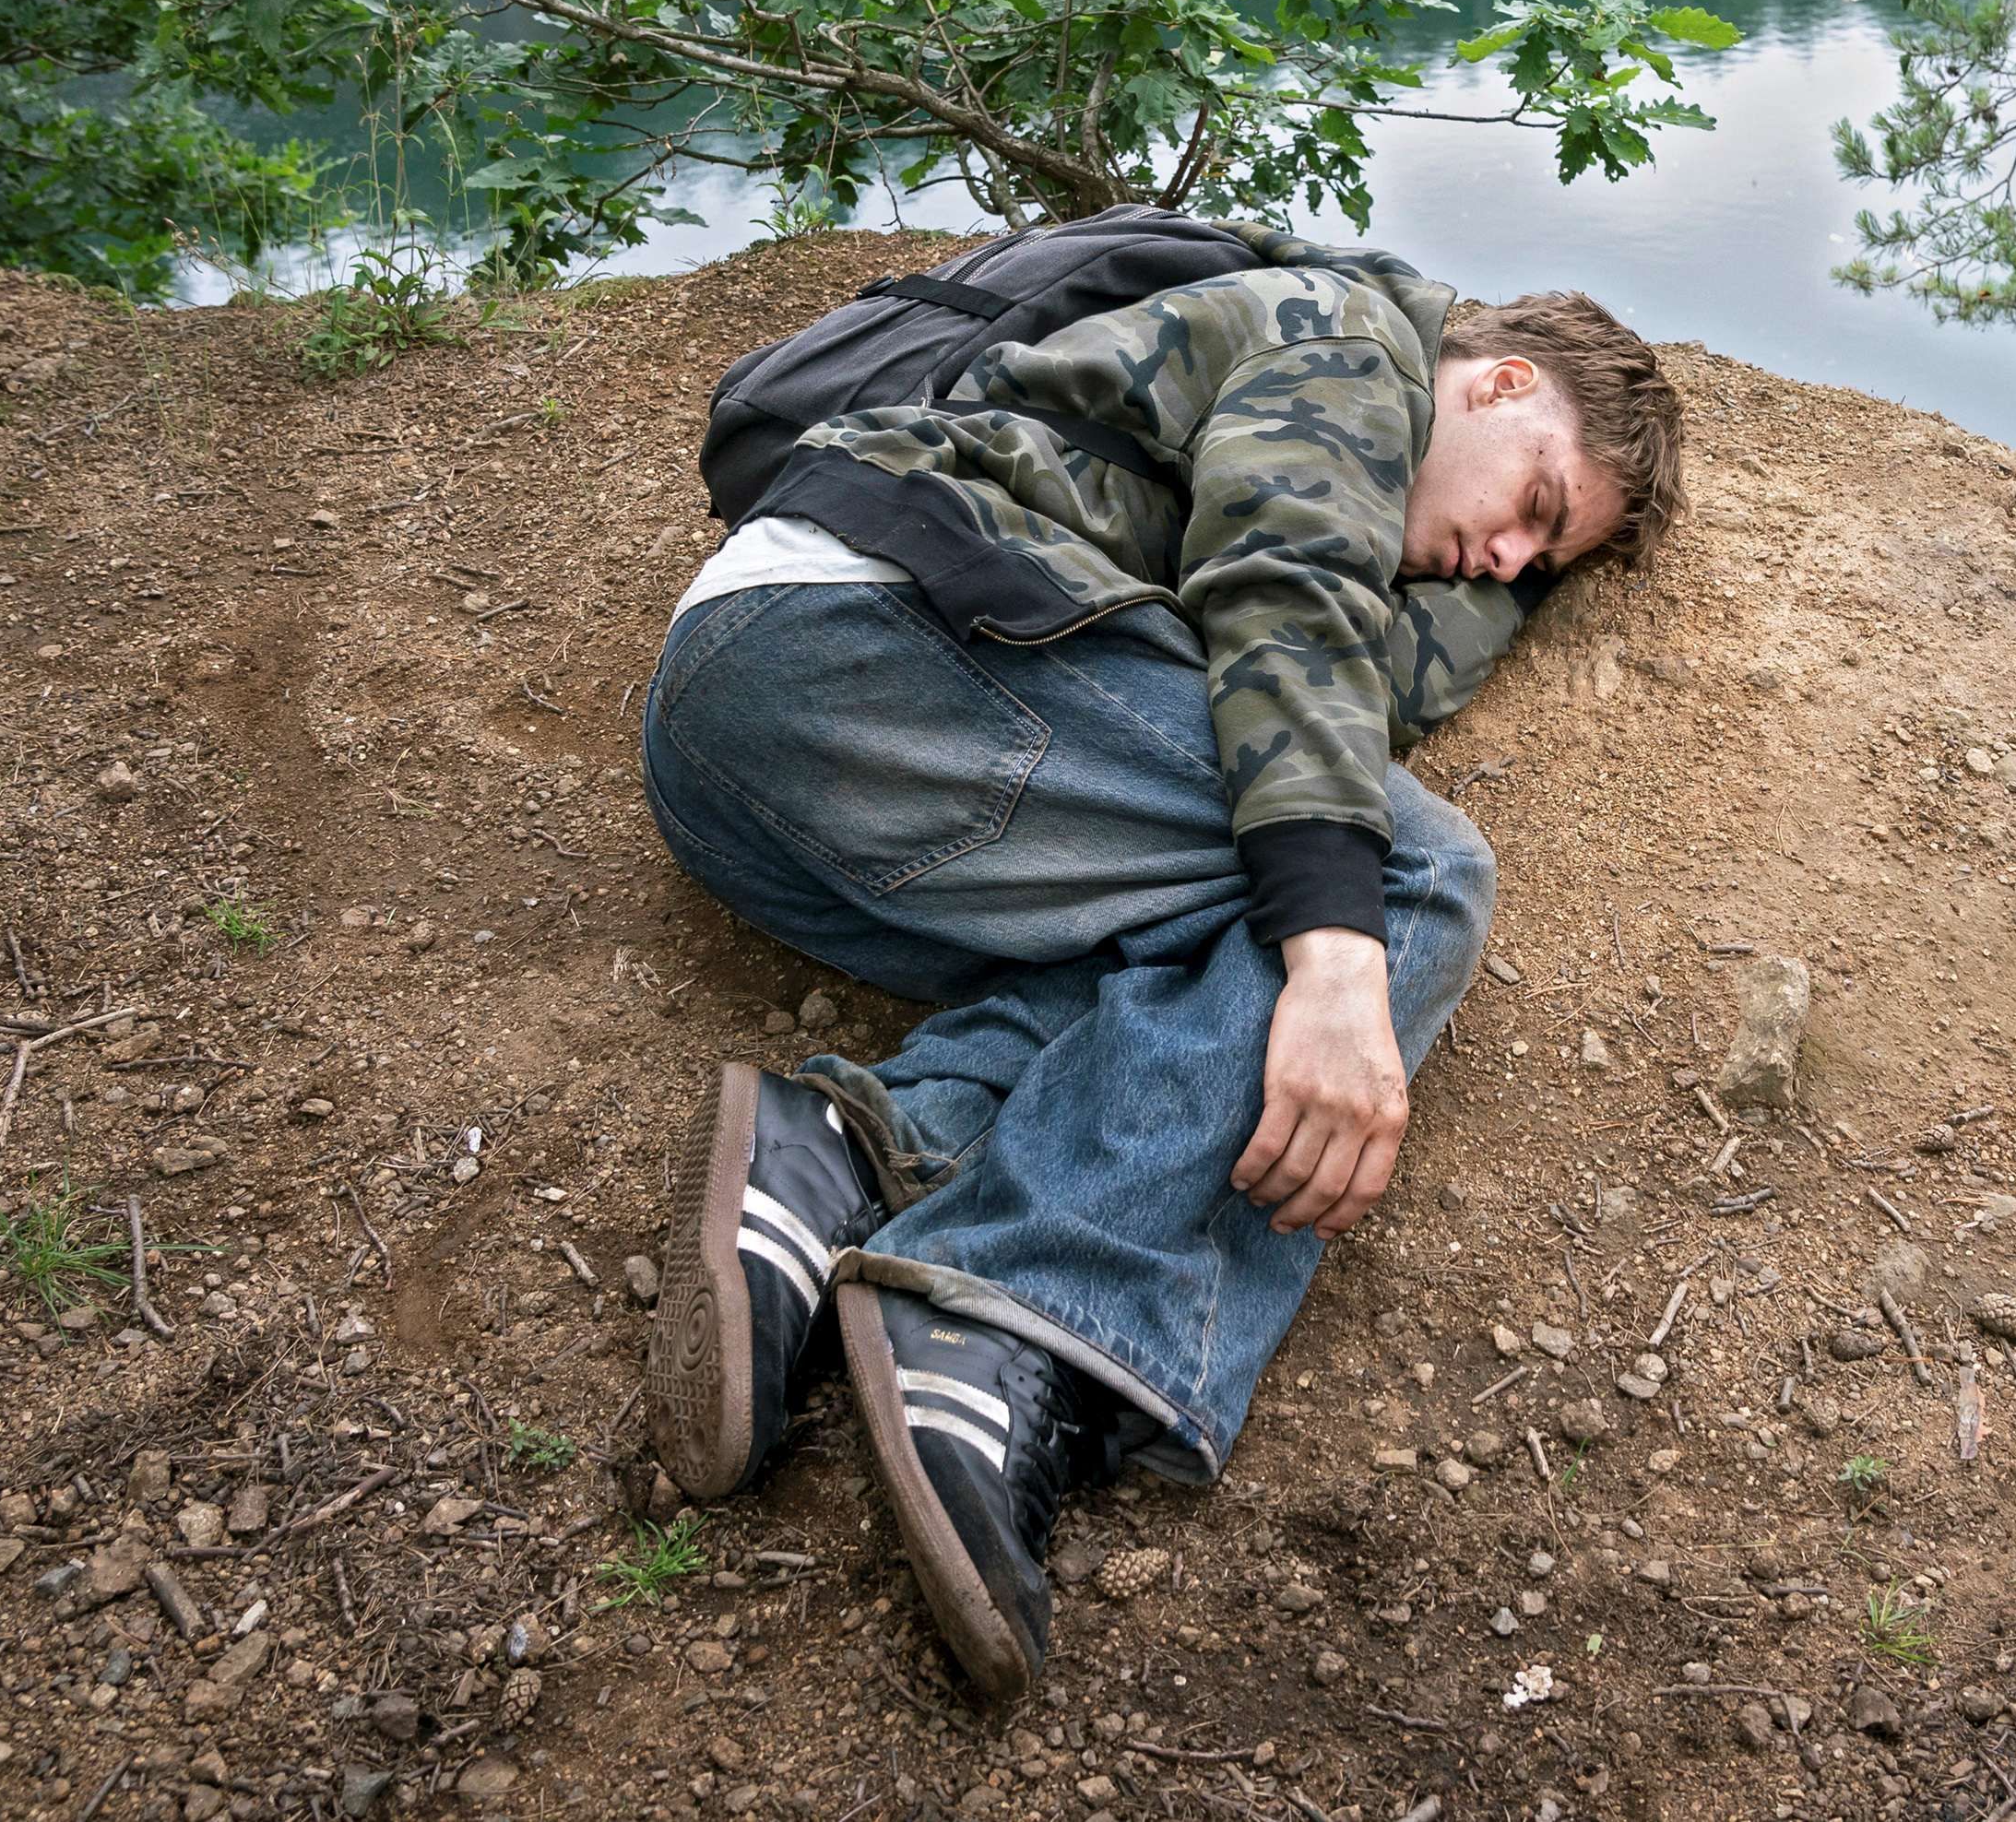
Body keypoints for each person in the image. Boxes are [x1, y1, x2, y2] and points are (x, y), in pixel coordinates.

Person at [634, 221, 1684, 1703]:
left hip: (754, 767)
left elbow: (1357, 671)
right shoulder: (1352, 343)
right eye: (1531, 505)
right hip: (867, 640)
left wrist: (1477, 576)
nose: (1508, 558)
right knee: (1402, 876)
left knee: (1211, 913)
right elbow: (1288, 609)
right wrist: (1333, 962)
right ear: (1501, 380)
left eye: (1536, 564)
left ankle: (851, 1150)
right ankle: (1023, 1310)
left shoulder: (1376, 442)